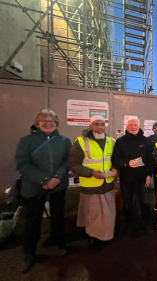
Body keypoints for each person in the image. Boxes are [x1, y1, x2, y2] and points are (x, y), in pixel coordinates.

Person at [15, 109, 72, 273]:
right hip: (33, 188)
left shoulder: (64, 141)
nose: (48, 123)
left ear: (57, 123)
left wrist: (56, 178)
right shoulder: (26, 141)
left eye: (51, 121)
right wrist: (44, 180)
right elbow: (22, 163)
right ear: (37, 123)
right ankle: (29, 253)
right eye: (44, 121)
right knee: (32, 222)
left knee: (58, 217)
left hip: (58, 186)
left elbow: (67, 161)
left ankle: (57, 242)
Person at [69, 115, 117, 247]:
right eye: (96, 124)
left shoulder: (112, 142)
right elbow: (73, 164)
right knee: (93, 216)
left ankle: (106, 235)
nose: (100, 127)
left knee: (108, 215)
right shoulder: (81, 142)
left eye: (102, 124)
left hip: (107, 185)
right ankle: (93, 236)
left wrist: (115, 168)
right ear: (90, 126)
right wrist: (91, 173)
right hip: (90, 186)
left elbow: (114, 160)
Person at [111, 116, 153, 236]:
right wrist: (127, 163)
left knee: (145, 202)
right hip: (126, 178)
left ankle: (145, 222)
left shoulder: (146, 141)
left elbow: (150, 160)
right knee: (128, 204)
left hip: (142, 178)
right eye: (131, 125)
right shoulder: (120, 141)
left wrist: (149, 174)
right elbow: (115, 159)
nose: (133, 127)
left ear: (138, 126)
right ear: (126, 127)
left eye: (135, 125)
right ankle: (129, 224)